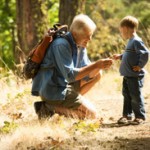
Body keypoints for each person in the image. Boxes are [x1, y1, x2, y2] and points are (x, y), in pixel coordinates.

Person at [32, 14, 113, 120]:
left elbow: (86, 74)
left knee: (98, 74)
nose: (90, 39)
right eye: (87, 35)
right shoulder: (61, 45)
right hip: (53, 89)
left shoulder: (80, 44)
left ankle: (70, 103)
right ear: (74, 33)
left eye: (91, 35)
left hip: (65, 84)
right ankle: (48, 108)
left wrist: (99, 67)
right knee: (91, 115)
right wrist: (96, 64)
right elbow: (70, 76)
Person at [113, 16, 149, 125]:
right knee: (126, 95)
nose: (121, 33)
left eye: (121, 30)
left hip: (134, 75)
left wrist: (140, 66)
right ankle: (126, 115)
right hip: (127, 75)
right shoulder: (130, 41)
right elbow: (129, 54)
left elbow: (145, 53)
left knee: (135, 96)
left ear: (128, 29)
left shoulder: (136, 41)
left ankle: (140, 116)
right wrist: (120, 56)